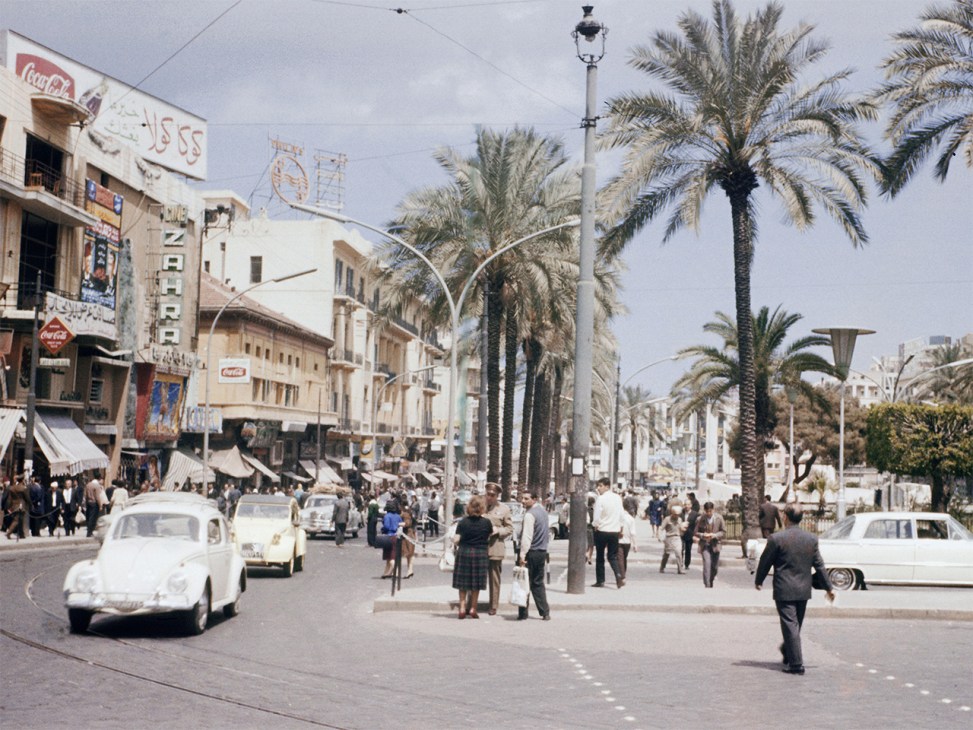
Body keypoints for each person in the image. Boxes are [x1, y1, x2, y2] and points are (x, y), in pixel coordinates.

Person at [755, 503, 835, 675]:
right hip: (803, 590)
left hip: (784, 589)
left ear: (785, 517)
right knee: (795, 625)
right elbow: (819, 565)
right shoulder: (811, 539)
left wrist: (759, 580)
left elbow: (765, 561)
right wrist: (829, 587)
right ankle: (788, 650)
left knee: (791, 626)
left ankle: (796, 665)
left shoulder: (777, 539)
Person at [452, 495, 492, 619]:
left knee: (463, 583)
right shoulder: (486, 522)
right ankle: (473, 608)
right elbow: (489, 537)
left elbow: (456, 540)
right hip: (480, 553)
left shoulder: (463, 522)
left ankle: (462, 608)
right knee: (476, 583)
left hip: (464, 552)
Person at [517, 490, 550, 621]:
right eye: (522, 498)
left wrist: (522, 555)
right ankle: (544, 612)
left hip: (531, 551)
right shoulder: (543, 512)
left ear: (534, 499)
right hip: (541, 551)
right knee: (538, 583)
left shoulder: (530, 515)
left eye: (526, 499)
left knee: (524, 583)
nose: (523, 501)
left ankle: (522, 613)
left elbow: (527, 537)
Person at [484, 483, 512, 616]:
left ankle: (493, 605)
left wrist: (498, 531)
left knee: (494, 578)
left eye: (492, 495)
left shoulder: (504, 509)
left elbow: (509, 529)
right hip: (479, 547)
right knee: (473, 576)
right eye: (488, 494)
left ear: (497, 496)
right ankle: (470, 603)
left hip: (495, 547)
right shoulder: (480, 506)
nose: (489, 497)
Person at [591, 477, 625, 588]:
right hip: (614, 531)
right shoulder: (617, 498)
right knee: (612, 556)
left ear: (607, 486)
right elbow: (621, 515)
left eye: (600, 486)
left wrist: (595, 525)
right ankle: (618, 575)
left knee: (600, 556)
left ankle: (600, 580)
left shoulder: (601, 499)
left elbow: (597, 516)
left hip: (602, 530)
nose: (598, 488)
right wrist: (621, 528)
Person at [695, 501, 726, 588]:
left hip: (715, 544)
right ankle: (707, 584)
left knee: (714, 567)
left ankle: (711, 579)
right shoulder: (700, 519)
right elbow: (696, 532)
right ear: (704, 510)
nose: (709, 513)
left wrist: (715, 535)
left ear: (713, 510)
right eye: (707, 511)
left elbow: (723, 531)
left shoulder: (719, 518)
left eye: (710, 511)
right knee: (707, 564)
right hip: (705, 545)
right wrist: (702, 535)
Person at [659, 503, 686, 574]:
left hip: (677, 538)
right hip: (669, 538)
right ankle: (662, 567)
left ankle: (680, 569)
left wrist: (683, 529)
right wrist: (659, 536)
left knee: (678, 553)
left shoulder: (679, 519)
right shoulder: (667, 519)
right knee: (666, 554)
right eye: (675, 514)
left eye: (678, 514)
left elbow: (681, 528)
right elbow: (661, 528)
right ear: (672, 512)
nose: (676, 516)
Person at [380, 499, 403, 578]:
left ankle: (393, 569)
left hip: (389, 536)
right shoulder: (398, 516)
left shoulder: (387, 516)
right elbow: (400, 525)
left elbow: (386, 526)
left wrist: (383, 529)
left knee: (389, 555)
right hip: (397, 536)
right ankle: (387, 571)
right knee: (392, 554)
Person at [618, 498, 638, 580]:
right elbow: (633, 533)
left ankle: (622, 575)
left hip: (619, 540)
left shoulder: (618, 516)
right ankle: (623, 573)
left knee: (620, 559)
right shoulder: (631, 519)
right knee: (624, 558)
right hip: (628, 542)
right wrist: (635, 544)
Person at [682, 495, 700, 571]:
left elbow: (697, 525)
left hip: (690, 534)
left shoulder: (695, 514)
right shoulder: (681, 512)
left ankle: (687, 564)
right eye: (685, 504)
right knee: (680, 549)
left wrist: (696, 535)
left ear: (691, 505)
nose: (687, 506)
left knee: (688, 550)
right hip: (681, 534)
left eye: (688, 504)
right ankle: (680, 563)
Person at [399, 503, 416, 578]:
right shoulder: (410, 513)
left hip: (407, 536)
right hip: (410, 535)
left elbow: (407, 523)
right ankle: (410, 570)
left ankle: (409, 570)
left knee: (408, 554)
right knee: (410, 554)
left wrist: (398, 524)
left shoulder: (405, 514)